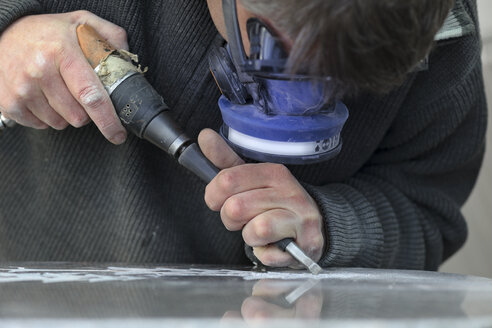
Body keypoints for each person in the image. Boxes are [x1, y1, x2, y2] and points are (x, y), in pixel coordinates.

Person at [0, 0, 486, 270]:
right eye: (273, 46)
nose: (298, 94)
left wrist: (332, 227)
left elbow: (426, 214)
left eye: (340, 71)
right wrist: (8, 36)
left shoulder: (442, 30)